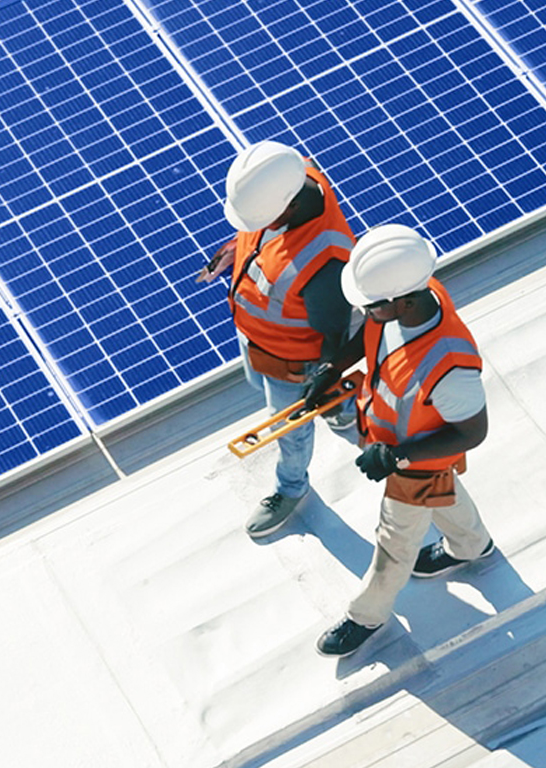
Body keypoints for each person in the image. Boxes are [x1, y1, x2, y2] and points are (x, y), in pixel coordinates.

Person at [309, 224, 495, 658]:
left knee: (394, 542)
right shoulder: (408, 295)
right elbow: (372, 334)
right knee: (445, 495)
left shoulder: (450, 366)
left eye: (371, 306)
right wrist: (333, 368)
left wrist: (397, 456)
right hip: (393, 440)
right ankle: (472, 546)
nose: (366, 311)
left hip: (414, 460)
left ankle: (366, 616)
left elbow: (472, 432)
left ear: (402, 300)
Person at [199, 141, 357, 538]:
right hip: (256, 340)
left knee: (288, 429)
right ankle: (342, 408)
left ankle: (291, 488)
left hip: (293, 366)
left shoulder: (325, 265)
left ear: (287, 207)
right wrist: (232, 251)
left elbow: (334, 337)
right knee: (259, 383)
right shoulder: (285, 175)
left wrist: (322, 379)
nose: (254, 226)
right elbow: (262, 239)